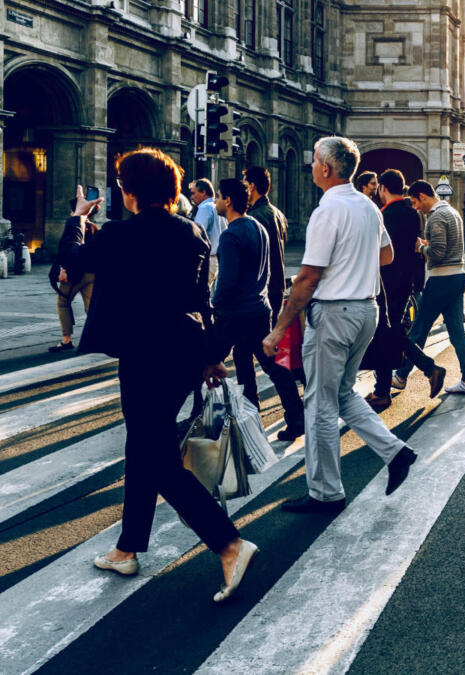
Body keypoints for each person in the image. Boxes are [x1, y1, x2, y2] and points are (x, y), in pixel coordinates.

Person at [59, 152, 256, 603]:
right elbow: (201, 296)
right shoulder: (193, 230)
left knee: (157, 458)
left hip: (145, 355)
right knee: (145, 446)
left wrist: (76, 217)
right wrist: (210, 356)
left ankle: (229, 543)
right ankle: (127, 547)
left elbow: (72, 255)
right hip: (184, 351)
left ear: (130, 191)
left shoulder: (120, 233)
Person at [262, 136, 419, 513]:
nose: (311, 165)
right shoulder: (368, 207)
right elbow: (387, 254)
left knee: (318, 404)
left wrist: (279, 328)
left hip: (334, 313)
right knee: (344, 394)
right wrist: (354, 264)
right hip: (366, 310)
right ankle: (395, 452)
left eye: (314, 160)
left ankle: (325, 492)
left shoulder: (327, 211)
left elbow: (308, 278)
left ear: (326, 168)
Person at [210, 178, 306, 439]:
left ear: (228, 200)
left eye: (218, 196)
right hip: (259, 309)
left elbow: (227, 281)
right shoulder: (258, 227)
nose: (216, 201)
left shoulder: (231, 235)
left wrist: (214, 304)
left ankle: (211, 420)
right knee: (268, 364)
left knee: (207, 362)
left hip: (232, 314)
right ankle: (295, 416)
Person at [363, 169, 446, 409]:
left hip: (385, 284)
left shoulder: (383, 215)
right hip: (405, 282)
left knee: (387, 334)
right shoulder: (413, 214)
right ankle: (385, 388)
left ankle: (426, 369)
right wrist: (416, 282)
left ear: (383, 189)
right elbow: (415, 250)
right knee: (390, 333)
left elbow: (378, 252)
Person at [395, 180, 465, 394]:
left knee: (419, 329)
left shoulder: (436, 217)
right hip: (458, 276)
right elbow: (447, 247)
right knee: (457, 331)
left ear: (423, 196)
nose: (415, 207)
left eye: (415, 201)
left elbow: (438, 253)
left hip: (441, 279)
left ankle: (401, 376)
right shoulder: (452, 212)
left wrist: (421, 247)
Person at [49, 197, 97, 353]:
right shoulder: (95, 228)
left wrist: (63, 269)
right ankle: (95, 340)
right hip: (92, 274)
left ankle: (67, 340)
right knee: (91, 307)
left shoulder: (73, 227)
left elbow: (66, 251)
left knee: (63, 303)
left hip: (74, 274)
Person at [243, 166, 289, 326]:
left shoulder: (254, 217)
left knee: (251, 345)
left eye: (245, 183)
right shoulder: (278, 213)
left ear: (252, 186)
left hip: (261, 291)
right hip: (277, 286)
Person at [190, 178, 226, 289]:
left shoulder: (204, 208)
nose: (191, 197)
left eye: (193, 193)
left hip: (208, 260)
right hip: (218, 260)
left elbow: (197, 235)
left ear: (203, 192)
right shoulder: (218, 207)